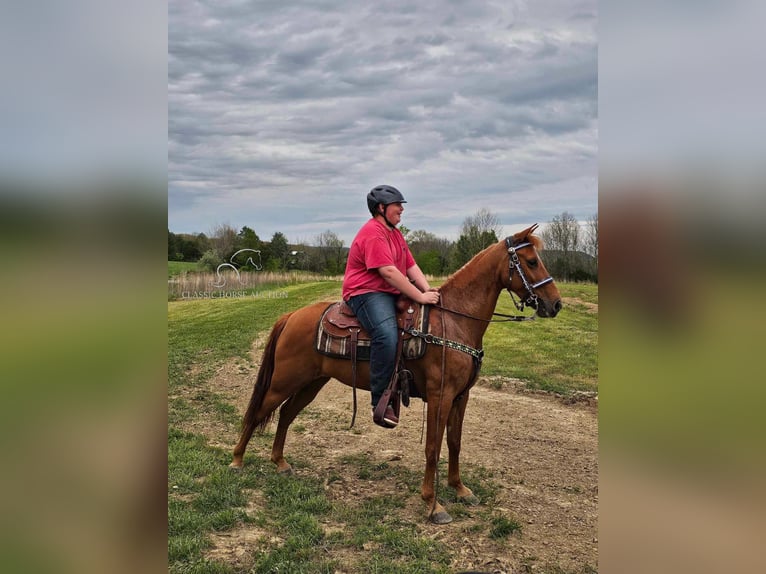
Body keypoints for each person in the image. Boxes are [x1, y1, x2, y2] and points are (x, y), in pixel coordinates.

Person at [342, 185, 440, 428]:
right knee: (386, 335)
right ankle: (380, 401)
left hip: (388, 292)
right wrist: (419, 296)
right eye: (398, 205)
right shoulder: (373, 232)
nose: (402, 209)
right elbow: (388, 272)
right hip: (365, 292)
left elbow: (410, 266)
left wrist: (427, 289)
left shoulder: (394, 232)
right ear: (381, 208)